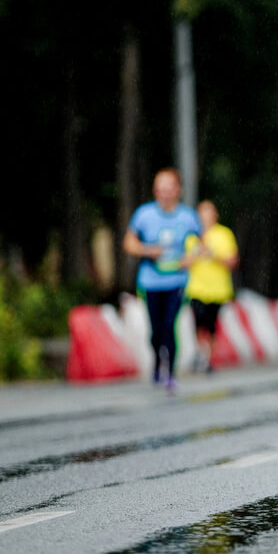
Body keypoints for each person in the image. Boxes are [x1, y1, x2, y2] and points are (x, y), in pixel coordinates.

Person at [123, 168, 201, 394]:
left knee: (169, 325)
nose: (164, 193)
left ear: (178, 190)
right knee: (156, 329)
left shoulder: (187, 216)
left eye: (169, 188)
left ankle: (171, 373)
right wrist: (147, 250)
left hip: (176, 280)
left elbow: (201, 244)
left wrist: (191, 257)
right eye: (160, 189)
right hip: (150, 281)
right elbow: (129, 243)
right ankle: (157, 362)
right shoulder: (144, 215)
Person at [184, 200, 238, 373]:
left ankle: (208, 356)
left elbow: (232, 261)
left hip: (218, 290)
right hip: (197, 288)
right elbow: (182, 262)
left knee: (212, 324)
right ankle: (202, 353)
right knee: (199, 322)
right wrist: (195, 254)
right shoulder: (191, 237)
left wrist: (213, 255)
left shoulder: (224, 234)